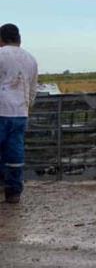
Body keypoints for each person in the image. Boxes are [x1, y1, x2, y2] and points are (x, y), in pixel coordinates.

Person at [0, 23, 38, 204]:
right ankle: (13, 192)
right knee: (15, 152)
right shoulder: (30, 59)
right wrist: (26, 106)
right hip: (20, 113)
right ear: (18, 38)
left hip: (1, 110)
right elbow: (32, 88)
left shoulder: (1, 55)